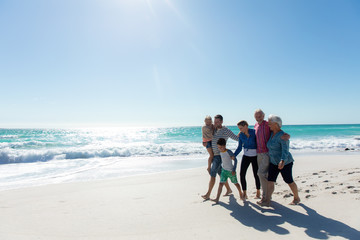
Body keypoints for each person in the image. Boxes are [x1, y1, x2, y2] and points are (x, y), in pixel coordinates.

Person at [258, 115, 300, 206]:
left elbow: (285, 150)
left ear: (276, 124)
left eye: (270, 123)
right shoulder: (271, 133)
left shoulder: (283, 136)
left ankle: (296, 198)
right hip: (273, 162)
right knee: (270, 181)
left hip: (285, 162)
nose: (268, 125)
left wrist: (282, 161)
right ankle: (267, 200)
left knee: (289, 180)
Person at [254, 109, 290, 204]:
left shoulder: (267, 124)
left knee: (261, 174)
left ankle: (265, 197)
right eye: (256, 116)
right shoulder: (256, 125)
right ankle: (267, 197)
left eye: (260, 116)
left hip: (266, 153)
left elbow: (277, 130)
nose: (258, 118)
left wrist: (286, 135)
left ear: (263, 116)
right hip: (259, 153)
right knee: (264, 175)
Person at [202, 114, 239, 200]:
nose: (216, 123)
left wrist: (242, 133)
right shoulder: (213, 129)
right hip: (214, 155)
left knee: (213, 174)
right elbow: (207, 137)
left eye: (218, 122)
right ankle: (229, 189)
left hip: (219, 156)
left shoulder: (226, 130)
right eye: (215, 122)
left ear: (222, 121)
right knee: (221, 173)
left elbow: (236, 138)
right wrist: (204, 143)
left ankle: (208, 194)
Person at [211, 138, 243, 204]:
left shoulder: (229, 151)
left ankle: (241, 193)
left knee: (236, 183)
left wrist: (234, 169)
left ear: (225, 146)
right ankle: (217, 199)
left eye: (221, 147)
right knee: (220, 184)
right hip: (224, 171)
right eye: (219, 147)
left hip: (231, 171)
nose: (220, 148)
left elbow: (235, 160)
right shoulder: (220, 152)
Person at [234, 120, 261, 199]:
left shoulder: (254, 132)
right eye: (239, 129)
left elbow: (260, 142)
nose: (240, 130)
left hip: (255, 156)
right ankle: (244, 193)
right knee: (242, 174)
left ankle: (258, 191)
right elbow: (239, 147)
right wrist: (234, 155)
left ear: (246, 126)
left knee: (256, 174)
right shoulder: (241, 135)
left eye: (241, 128)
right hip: (246, 156)